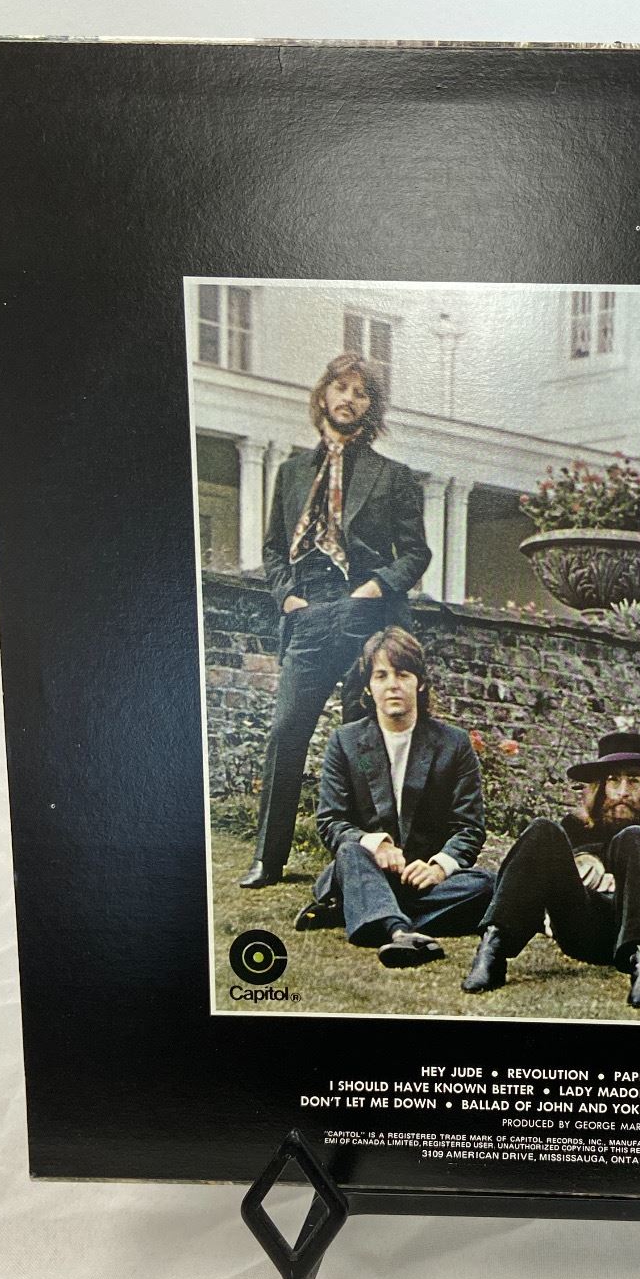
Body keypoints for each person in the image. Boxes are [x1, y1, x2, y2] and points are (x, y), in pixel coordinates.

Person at [239, 352, 431, 888]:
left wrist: (374, 588)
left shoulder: (393, 477)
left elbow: (416, 554)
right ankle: (268, 858)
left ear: (371, 407)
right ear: (323, 394)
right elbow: (275, 549)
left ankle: (371, 858)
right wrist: (287, 598)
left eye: (361, 393)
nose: (349, 399)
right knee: (286, 731)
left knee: (361, 735)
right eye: (341, 388)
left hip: (367, 614)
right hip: (309, 614)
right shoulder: (291, 473)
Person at [293, 628, 494, 966]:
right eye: (381, 675)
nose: (392, 685)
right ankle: (399, 932)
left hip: (422, 881)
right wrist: (376, 845)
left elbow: (469, 827)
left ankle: (359, 911)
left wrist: (439, 867)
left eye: (402, 674)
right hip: (364, 868)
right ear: (368, 687)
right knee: (351, 850)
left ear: (420, 682)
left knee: (490, 885)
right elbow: (330, 821)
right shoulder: (345, 742)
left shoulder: (454, 744)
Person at [462, 732, 640, 1009]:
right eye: (613, 780)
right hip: (582, 931)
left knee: (634, 836)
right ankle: (493, 950)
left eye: (634, 780)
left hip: (636, 937)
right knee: (542, 829)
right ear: (600, 786)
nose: (623, 791)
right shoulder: (575, 828)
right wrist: (585, 859)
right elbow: (544, 887)